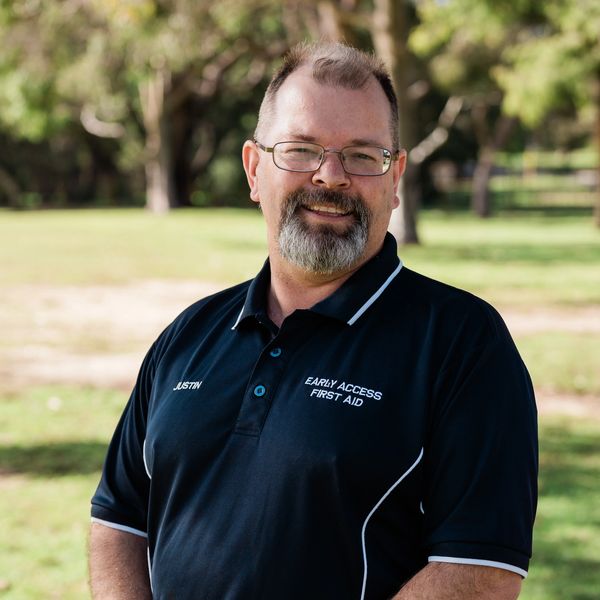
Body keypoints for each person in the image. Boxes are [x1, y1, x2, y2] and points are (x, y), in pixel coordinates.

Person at [89, 41, 537, 600]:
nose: (330, 176)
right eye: (301, 150)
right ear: (255, 169)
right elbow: (119, 518)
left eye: (361, 155)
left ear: (394, 178)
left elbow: (480, 572)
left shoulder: (462, 343)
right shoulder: (190, 333)